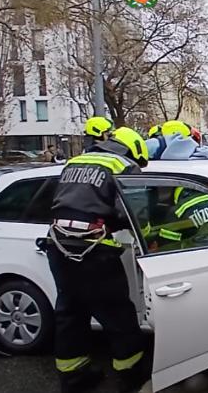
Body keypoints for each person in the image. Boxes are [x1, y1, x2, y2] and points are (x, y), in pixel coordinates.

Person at [46, 127, 151, 393]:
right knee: (118, 315)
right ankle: (130, 376)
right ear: (135, 150)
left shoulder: (75, 161)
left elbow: (59, 198)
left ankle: (73, 378)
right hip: (94, 252)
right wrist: (150, 238)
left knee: (70, 313)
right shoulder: (124, 166)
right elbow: (134, 214)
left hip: (58, 246)